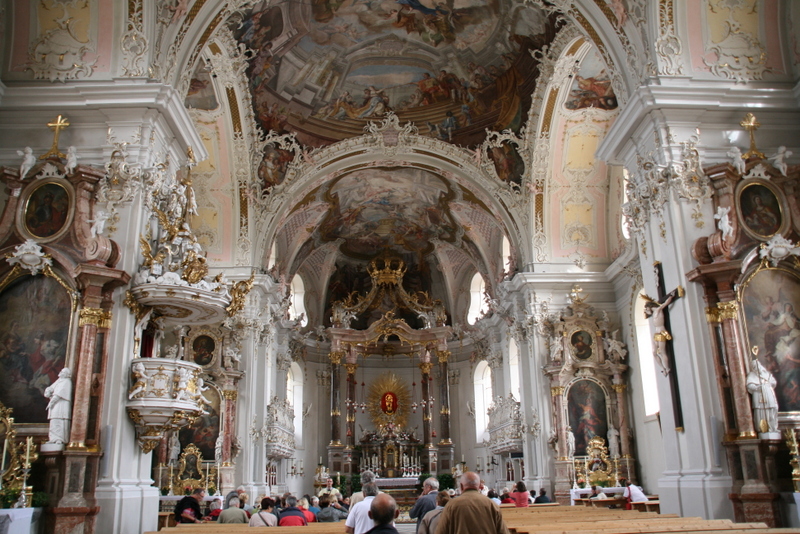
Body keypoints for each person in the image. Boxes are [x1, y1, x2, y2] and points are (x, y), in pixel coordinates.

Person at [436, 472, 510, 534]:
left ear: (461, 486)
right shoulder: (492, 504)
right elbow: (502, 531)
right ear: (480, 486)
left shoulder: (451, 505)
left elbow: (441, 531)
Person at [746, 359, 779, 433]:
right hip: (759, 396)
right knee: (760, 412)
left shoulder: (767, 374)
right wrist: (757, 387)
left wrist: (767, 384)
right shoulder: (752, 375)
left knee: (772, 409)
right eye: (754, 367)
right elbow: (749, 385)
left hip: (768, 394)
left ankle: (772, 427)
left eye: (757, 366)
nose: (757, 368)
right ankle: (762, 428)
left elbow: (773, 382)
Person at [44, 367, 72, 444]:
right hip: (56, 404)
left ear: (66, 374)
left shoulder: (66, 382)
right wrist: (48, 391)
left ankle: (60, 439)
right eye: (61, 371)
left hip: (61, 404)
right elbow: (51, 388)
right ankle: (53, 438)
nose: (60, 372)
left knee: (60, 420)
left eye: (63, 372)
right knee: (54, 420)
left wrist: (51, 402)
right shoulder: (59, 380)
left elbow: (59, 394)